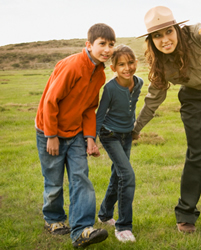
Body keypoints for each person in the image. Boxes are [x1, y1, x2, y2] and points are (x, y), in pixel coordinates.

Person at [133, 6, 201, 235]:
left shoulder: (194, 33)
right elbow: (153, 99)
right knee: (196, 154)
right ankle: (186, 213)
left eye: (168, 32)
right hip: (193, 101)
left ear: (176, 28)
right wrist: (136, 128)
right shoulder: (160, 64)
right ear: (151, 40)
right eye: (157, 35)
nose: (164, 40)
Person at [35, 23, 116, 248]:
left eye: (111, 44)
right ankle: (53, 219)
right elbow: (51, 101)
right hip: (49, 131)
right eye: (102, 44)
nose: (107, 49)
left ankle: (82, 229)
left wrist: (90, 138)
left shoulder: (100, 74)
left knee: (81, 178)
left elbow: (90, 108)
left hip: (76, 133)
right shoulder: (72, 66)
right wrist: (51, 135)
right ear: (88, 45)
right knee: (53, 181)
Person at [95, 45, 143, 242]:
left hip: (126, 136)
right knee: (127, 175)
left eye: (130, 63)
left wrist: (134, 129)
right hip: (110, 134)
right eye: (121, 64)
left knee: (117, 175)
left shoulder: (138, 83)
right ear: (113, 68)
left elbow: (131, 109)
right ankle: (123, 227)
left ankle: (105, 215)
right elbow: (99, 116)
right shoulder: (110, 88)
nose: (127, 68)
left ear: (136, 63)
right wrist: (92, 140)